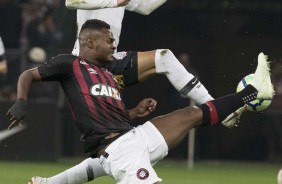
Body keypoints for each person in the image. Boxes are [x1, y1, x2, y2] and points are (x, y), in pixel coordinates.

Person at [6, 19, 274, 184]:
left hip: (133, 135)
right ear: (89, 42)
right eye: (109, 40)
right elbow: (28, 74)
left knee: (190, 115)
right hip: (119, 150)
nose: (114, 45)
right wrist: (21, 101)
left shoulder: (108, 75)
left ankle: (252, 92)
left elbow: (107, 114)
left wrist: (133, 112)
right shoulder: (71, 64)